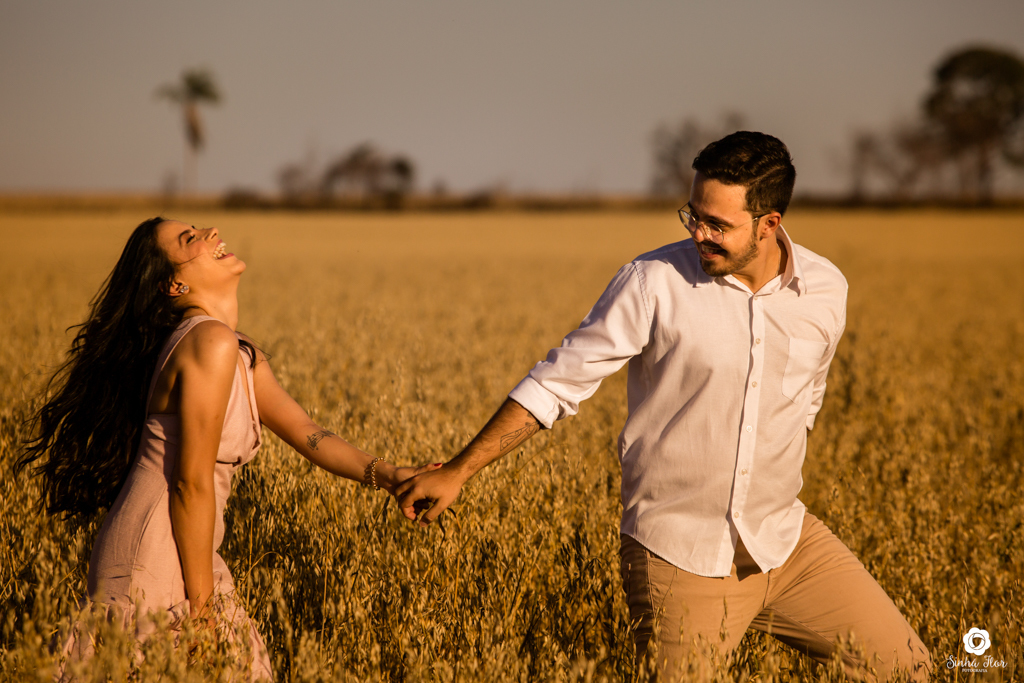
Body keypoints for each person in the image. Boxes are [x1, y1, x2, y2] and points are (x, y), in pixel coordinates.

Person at [396, 132, 931, 681]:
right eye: (693, 216)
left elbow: (806, 400)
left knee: (909, 669)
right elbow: (556, 384)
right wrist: (459, 470)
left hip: (787, 545)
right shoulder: (652, 282)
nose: (699, 234)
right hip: (681, 557)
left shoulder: (826, 288)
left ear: (769, 223)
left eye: (717, 225)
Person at [18, 217, 437, 680]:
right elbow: (190, 484)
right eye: (190, 238)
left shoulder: (233, 347)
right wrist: (200, 614)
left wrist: (393, 477)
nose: (211, 232)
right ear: (174, 284)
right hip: (154, 558)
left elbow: (308, 432)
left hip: (185, 546)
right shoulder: (209, 343)